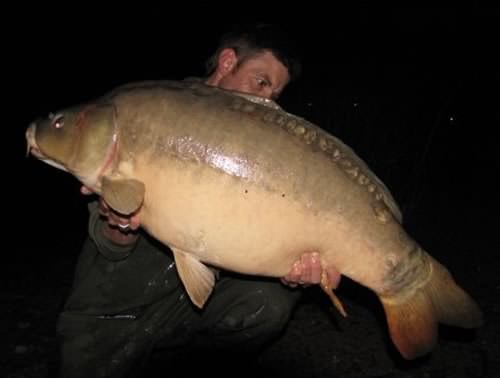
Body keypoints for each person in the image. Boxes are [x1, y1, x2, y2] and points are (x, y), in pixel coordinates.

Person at [56, 24, 340, 377]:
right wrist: (120, 222)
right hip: (112, 312)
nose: (267, 101)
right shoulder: (152, 110)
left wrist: (294, 265)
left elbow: (261, 237)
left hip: (191, 312)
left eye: (275, 92)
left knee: (268, 304)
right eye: (260, 82)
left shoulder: (259, 146)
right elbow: (110, 244)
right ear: (227, 62)